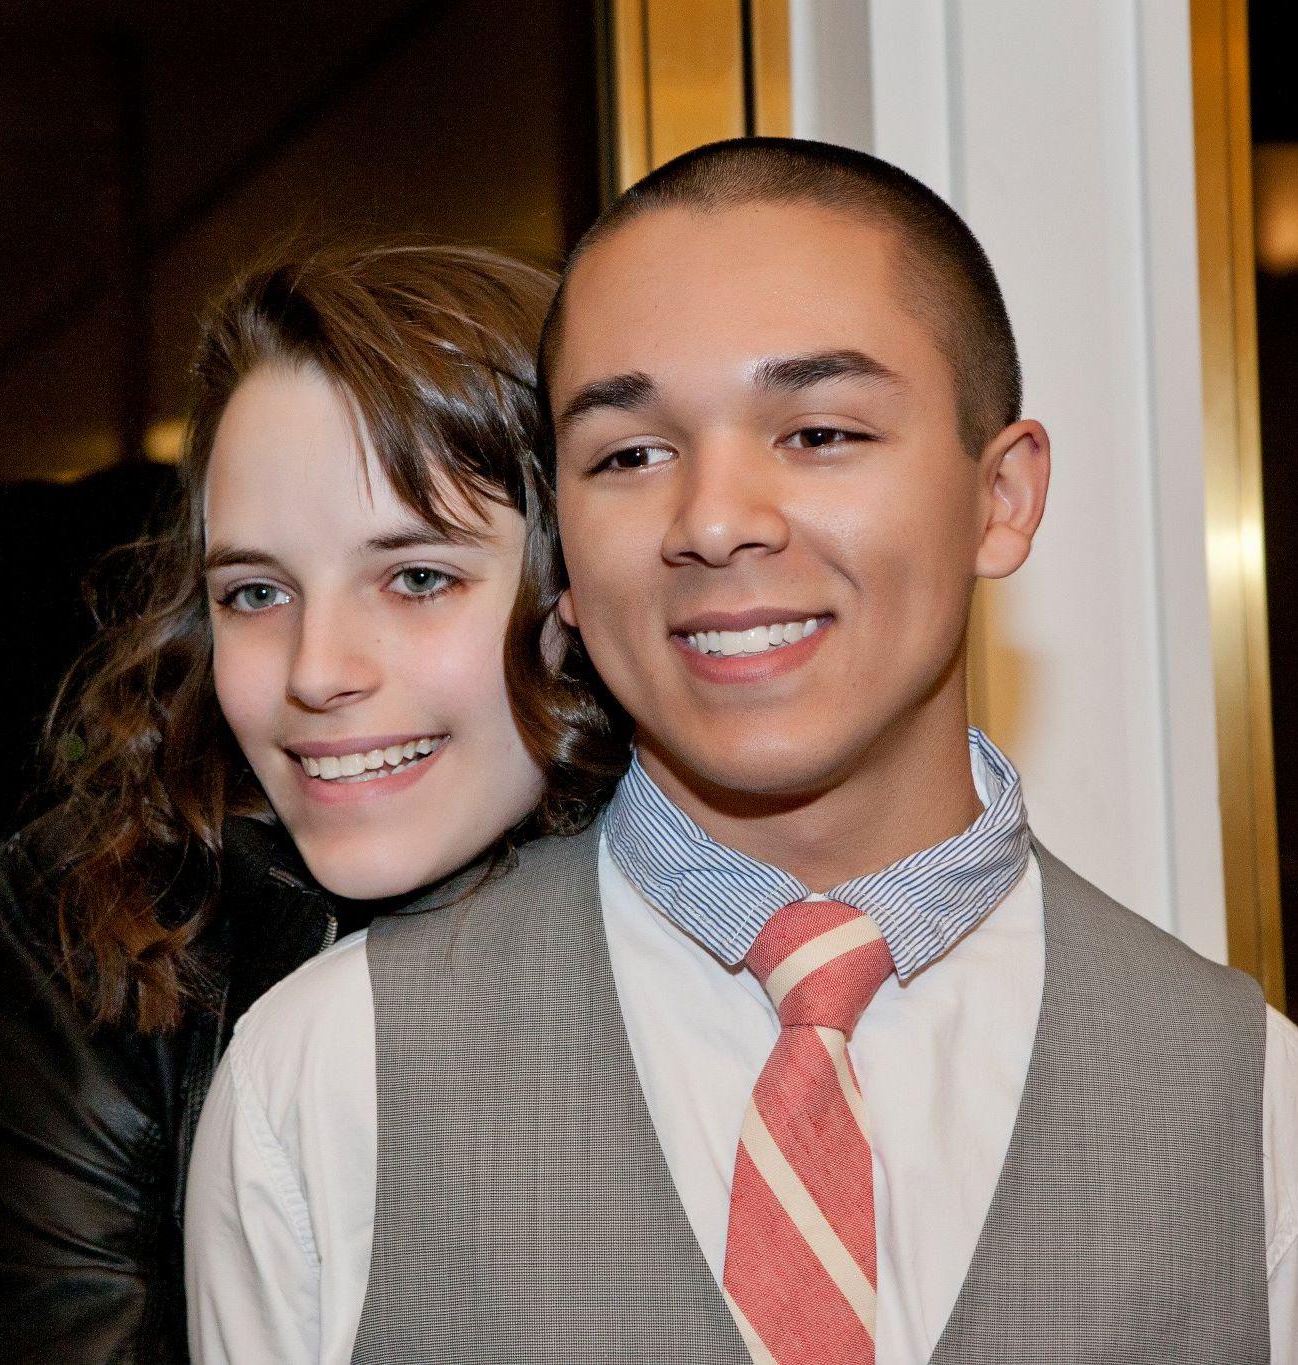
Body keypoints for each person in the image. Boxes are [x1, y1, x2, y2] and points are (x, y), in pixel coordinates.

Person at [185, 139, 1298, 1363]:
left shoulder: (1250, 1096)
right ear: (563, 553)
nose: (714, 521)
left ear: (1002, 496)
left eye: (817, 433)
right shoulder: (325, 1076)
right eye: (630, 455)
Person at [0, 241, 624, 1362]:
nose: (316, 670)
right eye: (257, 592)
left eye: (417, 578)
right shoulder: (115, 925)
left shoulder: (749, 920)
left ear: (578, 592)